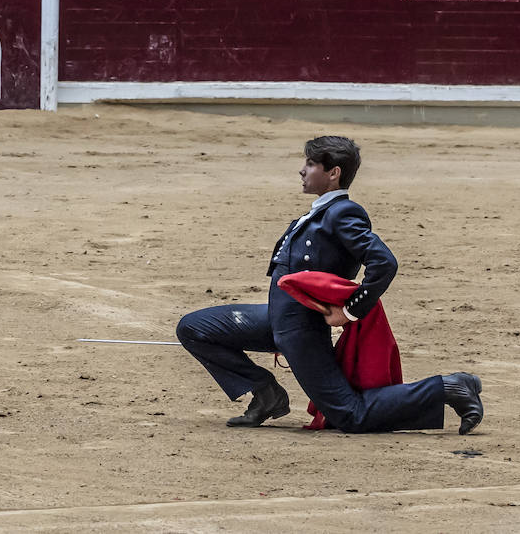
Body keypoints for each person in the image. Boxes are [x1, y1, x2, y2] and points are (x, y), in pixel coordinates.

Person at [176, 136, 486, 435]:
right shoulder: (320, 213)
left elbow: (384, 263)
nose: (302, 170)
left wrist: (350, 311)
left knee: (350, 414)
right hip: (277, 319)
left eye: (310, 164)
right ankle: (266, 393)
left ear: (333, 173)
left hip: (302, 330)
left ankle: (449, 387)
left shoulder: (342, 213)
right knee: (194, 328)